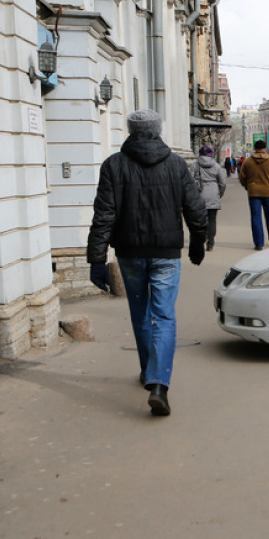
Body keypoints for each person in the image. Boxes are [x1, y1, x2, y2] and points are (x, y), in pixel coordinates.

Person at [86, 109, 207, 417]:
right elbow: (195, 208)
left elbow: (104, 215)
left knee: (140, 314)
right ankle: (158, 384)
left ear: (131, 130)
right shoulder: (176, 164)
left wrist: (97, 259)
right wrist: (197, 243)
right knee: (164, 317)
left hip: (129, 253)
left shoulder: (113, 165)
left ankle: (148, 373)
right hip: (166, 253)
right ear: (158, 130)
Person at [239, 139, 269, 250]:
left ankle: (258, 243)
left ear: (254, 149)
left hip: (253, 193)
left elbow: (242, 177)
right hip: (268, 193)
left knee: (255, 217)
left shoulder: (248, 162)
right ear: (265, 148)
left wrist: (248, 186)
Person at [192, 146, 227, 251]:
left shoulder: (195, 165)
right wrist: (219, 194)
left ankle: (201, 240)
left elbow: (189, 181)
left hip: (199, 196)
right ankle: (210, 243)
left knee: (200, 220)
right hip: (213, 195)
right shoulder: (216, 166)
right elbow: (223, 183)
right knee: (212, 220)